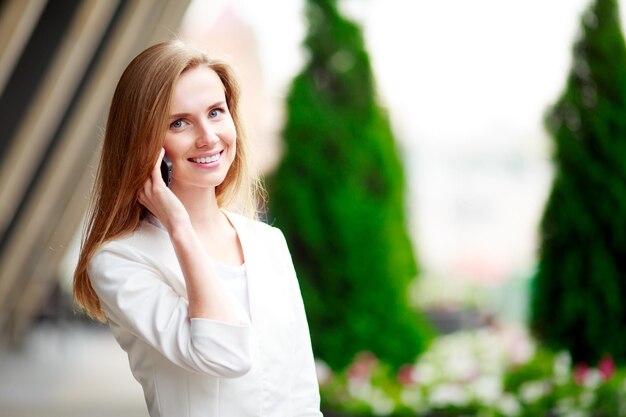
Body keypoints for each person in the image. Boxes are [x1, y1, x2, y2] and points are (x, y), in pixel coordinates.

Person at [73, 40, 322, 416]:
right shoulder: (119, 259)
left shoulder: (267, 243)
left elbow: (303, 396)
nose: (208, 136)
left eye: (216, 112)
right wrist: (179, 226)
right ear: (144, 144)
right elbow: (224, 353)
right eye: (179, 122)